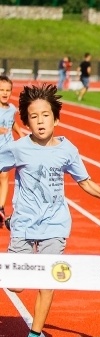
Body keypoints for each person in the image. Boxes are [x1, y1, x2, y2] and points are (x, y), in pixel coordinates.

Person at [0, 83, 100, 337]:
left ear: (56, 118)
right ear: (26, 122)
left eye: (45, 115)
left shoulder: (67, 149)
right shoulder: (18, 149)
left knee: (47, 279)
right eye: (34, 116)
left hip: (55, 224)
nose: (40, 121)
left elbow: (84, 181)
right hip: (25, 224)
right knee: (16, 284)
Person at [0, 75, 25, 230]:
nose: (4, 93)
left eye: (8, 90)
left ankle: (1, 207)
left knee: (4, 176)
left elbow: (13, 122)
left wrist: (20, 134)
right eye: (1, 90)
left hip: (7, 148)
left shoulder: (11, 109)